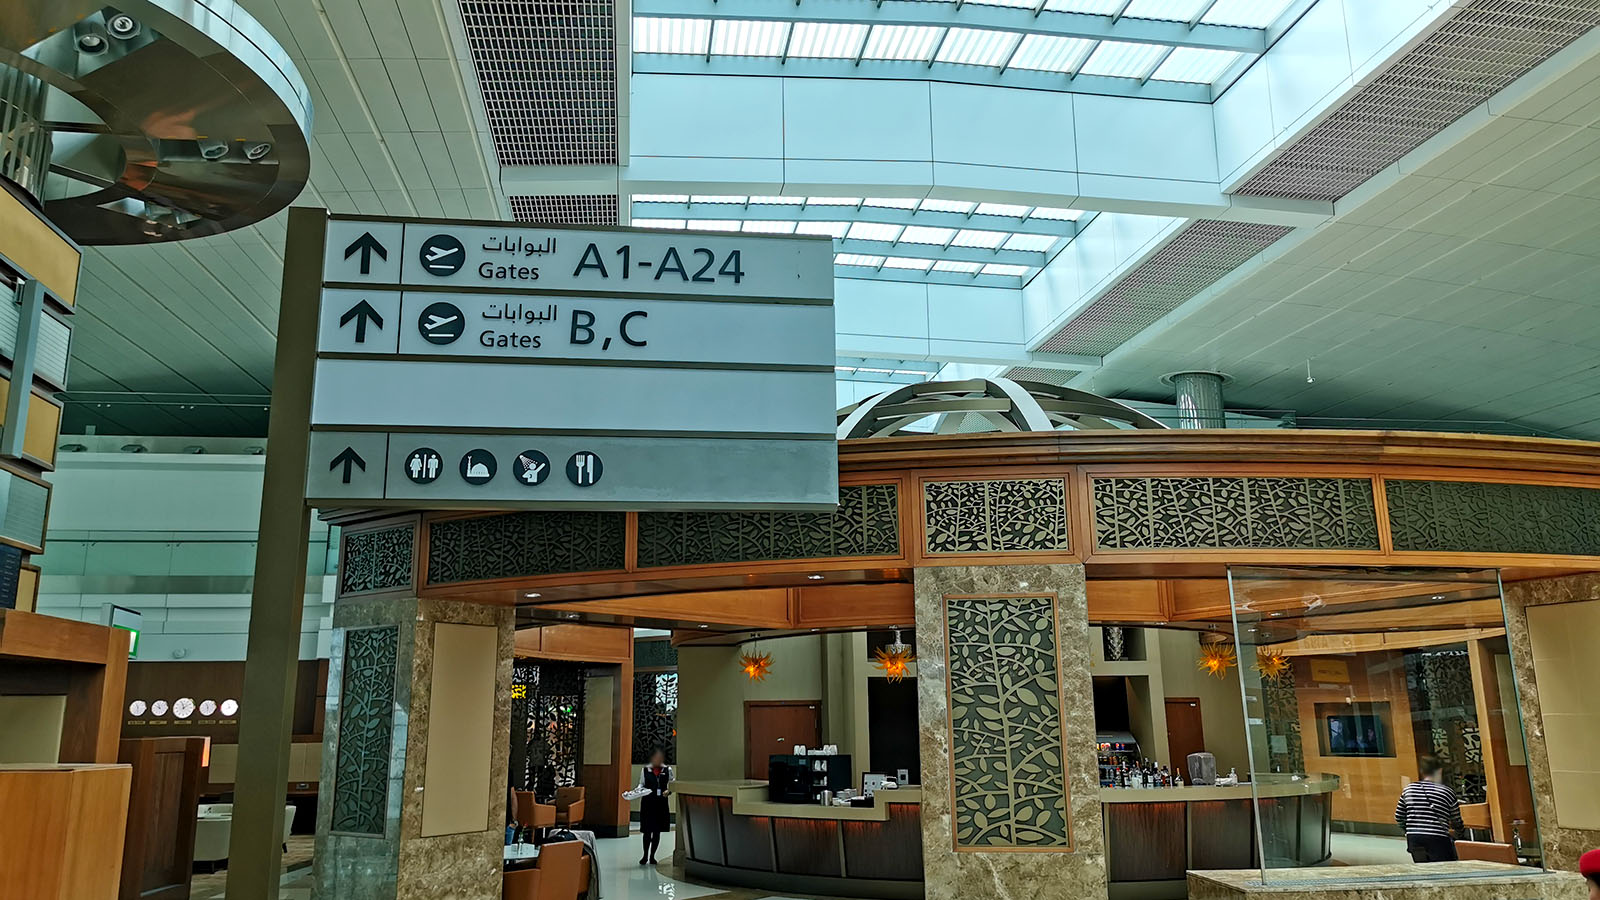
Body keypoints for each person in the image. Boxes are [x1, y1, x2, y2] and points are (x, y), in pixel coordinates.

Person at [1394, 756, 1465, 862]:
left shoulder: (1409, 789)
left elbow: (1399, 817)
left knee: (1423, 868)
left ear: (1422, 771)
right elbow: (1456, 820)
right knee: (1444, 869)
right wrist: (1460, 835)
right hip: (1438, 838)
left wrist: (1408, 830)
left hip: (1414, 838)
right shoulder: (1447, 792)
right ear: (1440, 771)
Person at [625, 748, 672, 865]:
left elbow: (672, 784)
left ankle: (652, 856)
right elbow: (641, 783)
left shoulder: (667, 769)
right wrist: (638, 790)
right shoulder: (645, 770)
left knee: (657, 831)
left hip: (661, 803)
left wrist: (668, 791)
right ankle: (645, 855)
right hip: (648, 802)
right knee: (647, 830)